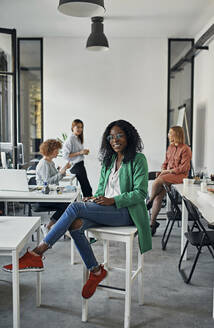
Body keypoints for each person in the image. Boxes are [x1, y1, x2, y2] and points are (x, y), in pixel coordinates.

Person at [2, 120, 152, 300]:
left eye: (119, 135)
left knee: (74, 206)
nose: (115, 140)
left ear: (129, 136)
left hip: (127, 212)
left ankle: (37, 252)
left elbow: (140, 193)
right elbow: (102, 188)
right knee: (75, 225)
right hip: (107, 208)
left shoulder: (138, 159)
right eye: (111, 137)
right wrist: (95, 198)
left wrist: (112, 200)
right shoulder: (110, 159)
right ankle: (96, 271)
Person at [147, 126, 192, 236]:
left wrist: (167, 172)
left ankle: (149, 201)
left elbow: (184, 168)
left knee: (158, 180)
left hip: (180, 176)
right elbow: (165, 162)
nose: (168, 135)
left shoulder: (185, 149)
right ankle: (152, 224)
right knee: (159, 196)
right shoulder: (170, 147)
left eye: (170, 133)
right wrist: (163, 169)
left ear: (176, 134)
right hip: (168, 174)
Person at [35, 139, 71, 236]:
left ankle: (62, 227)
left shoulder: (50, 162)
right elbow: (48, 182)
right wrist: (60, 173)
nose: (58, 152)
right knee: (66, 205)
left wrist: (63, 171)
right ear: (50, 150)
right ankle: (47, 226)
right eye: (56, 150)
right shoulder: (44, 164)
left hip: (51, 193)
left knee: (69, 204)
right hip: (44, 196)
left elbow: (55, 178)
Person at [62, 119, 92, 197]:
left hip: (80, 165)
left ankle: (88, 204)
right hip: (76, 166)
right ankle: (89, 205)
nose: (80, 129)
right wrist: (80, 152)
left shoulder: (77, 138)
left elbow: (77, 153)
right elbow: (65, 155)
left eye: (81, 127)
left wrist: (83, 152)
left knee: (86, 187)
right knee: (87, 188)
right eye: (78, 127)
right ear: (72, 127)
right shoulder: (70, 139)